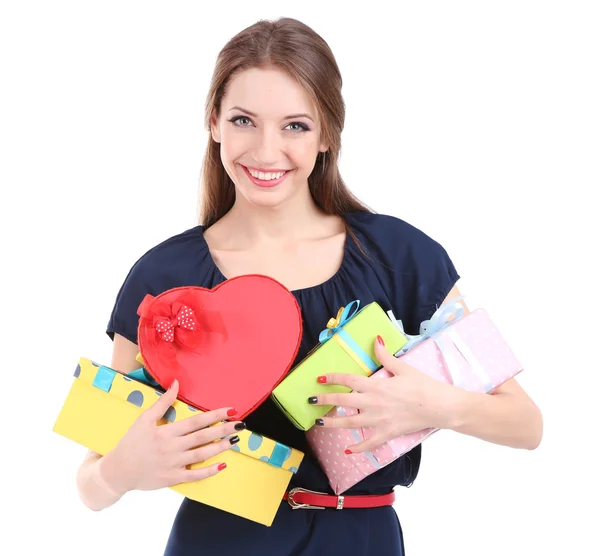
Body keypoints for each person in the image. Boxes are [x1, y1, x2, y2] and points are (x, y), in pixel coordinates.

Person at [75, 17, 543, 555]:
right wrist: (122, 470)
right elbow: (90, 484)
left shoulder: (400, 257)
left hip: (362, 539)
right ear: (214, 123)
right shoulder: (164, 277)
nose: (266, 151)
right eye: (244, 120)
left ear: (326, 134)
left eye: (295, 125)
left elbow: (526, 424)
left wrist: (435, 406)